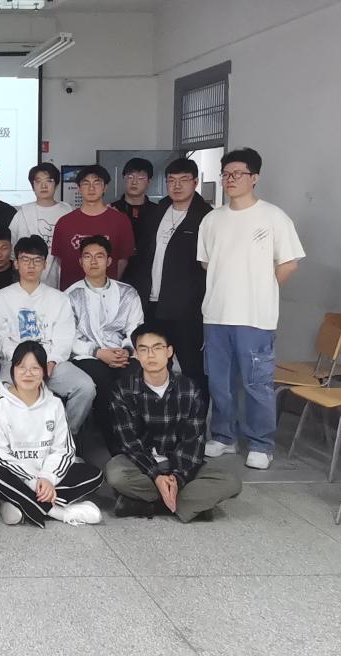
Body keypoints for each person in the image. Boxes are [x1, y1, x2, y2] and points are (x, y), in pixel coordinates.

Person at [198, 147, 304, 470]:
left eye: (237, 174)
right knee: (220, 382)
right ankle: (223, 436)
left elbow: (289, 263)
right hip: (216, 315)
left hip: (255, 317)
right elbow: (207, 263)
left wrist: (262, 290)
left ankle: (261, 443)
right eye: (225, 174)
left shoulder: (273, 217)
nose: (230, 179)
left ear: (254, 178)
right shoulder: (211, 219)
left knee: (257, 384)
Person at [107, 324, 243, 521]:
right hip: (142, 464)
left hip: (180, 462)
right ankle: (188, 504)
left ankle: (145, 504)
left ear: (169, 351)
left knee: (231, 482)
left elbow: (194, 442)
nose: (150, 355)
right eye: (144, 350)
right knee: (116, 475)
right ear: (136, 354)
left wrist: (178, 478)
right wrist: (156, 476)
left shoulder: (189, 388)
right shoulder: (123, 389)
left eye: (157, 348)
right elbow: (128, 442)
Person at [0, 341, 104, 527]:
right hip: (16, 476)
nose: (28, 373)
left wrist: (47, 478)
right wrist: (32, 481)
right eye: (21, 367)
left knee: (95, 474)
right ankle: (59, 512)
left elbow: (64, 450)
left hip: (48, 476)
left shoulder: (54, 404)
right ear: (13, 370)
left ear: (44, 371)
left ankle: (17, 502)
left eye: (35, 368)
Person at [0, 236, 95, 433]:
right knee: (4, 395)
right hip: (15, 363)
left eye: (37, 260)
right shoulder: (0, 298)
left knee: (85, 387)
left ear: (45, 264)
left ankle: (65, 435)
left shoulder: (59, 299)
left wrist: (52, 361)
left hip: (52, 364)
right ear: (16, 263)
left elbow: (64, 337)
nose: (31, 265)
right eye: (25, 259)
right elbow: (0, 339)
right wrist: (24, 363)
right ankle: (14, 439)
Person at [127, 158, 212, 393]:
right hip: (152, 303)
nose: (177, 186)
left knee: (192, 368)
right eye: (171, 180)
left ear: (195, 182)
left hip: (187, 309)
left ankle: (195, 414)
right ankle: (156, 411)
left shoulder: (206, 217)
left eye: (184, 180)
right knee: (151, 364)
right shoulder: (158, 210)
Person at [65, 236, 144, 452]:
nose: (93, 262)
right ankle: (116, 446)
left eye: (99, 256)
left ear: (109, 261)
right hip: (88, 355)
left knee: (134, 379)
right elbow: (68, 337)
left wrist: (126, 350)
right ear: (80, 261)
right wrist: (98, 352)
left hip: (123, 353)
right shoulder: (71, 296)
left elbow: (136, 328)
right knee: (103, 383)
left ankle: (139, 439)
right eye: (87, 257)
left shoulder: (128, 293)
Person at [51, 164, 135, 290]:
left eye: (97, 183)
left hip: (107, 293)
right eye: (86, 183)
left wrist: (106, 285)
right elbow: (59, 259)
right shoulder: (64, 222)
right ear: (79, 188)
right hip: (71, 293)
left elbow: (123, 259)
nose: (91, 188)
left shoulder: (120, 221)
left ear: (105, 187)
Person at [8, 163, 72, 288]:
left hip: (60, 281)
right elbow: (12, 251)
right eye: (38, 181)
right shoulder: (22, 214)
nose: (43, 186)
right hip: (27, 282)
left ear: (56, 184)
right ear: (33, 186)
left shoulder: (67, 212)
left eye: (49, 181)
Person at [111, 157, 156, 245]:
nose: (134, 182)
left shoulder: (158, 211)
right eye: (130, 177)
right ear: (123, 179)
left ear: (149, 181)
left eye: (141, 178)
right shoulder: (111, 209)